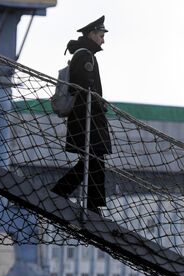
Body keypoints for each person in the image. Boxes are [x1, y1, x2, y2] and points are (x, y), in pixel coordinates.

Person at [52, 15, 111, 214]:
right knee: (93, 159)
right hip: (87, 119)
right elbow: (86, 88)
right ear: (92, 34)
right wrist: (100, 105)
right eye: (101, 35)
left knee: (92, 160)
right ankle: (69, 196)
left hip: (85, 118)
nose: (103, 40)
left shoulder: (83, 54)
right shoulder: (85, 56)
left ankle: (90, 203)